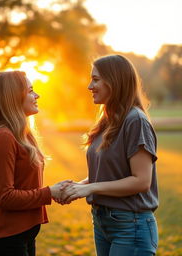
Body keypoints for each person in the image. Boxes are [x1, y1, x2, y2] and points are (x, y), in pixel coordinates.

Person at [60, 55, 159, 256]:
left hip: (131, 225)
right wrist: (79, 186)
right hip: (103, 221)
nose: (89, 86)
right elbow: (110, 173)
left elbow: (141, 181)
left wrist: (91, 188)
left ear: (115, 81)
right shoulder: (107, 121)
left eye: (96, 79)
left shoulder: (135, 121)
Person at [0, 71, 61, 256]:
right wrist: (49, 193)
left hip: (23, 235)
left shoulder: (23, 135)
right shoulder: (3, 138)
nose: (37, 95)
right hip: (4, 240)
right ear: (12, 97)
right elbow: (5, 197)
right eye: (30, 90)